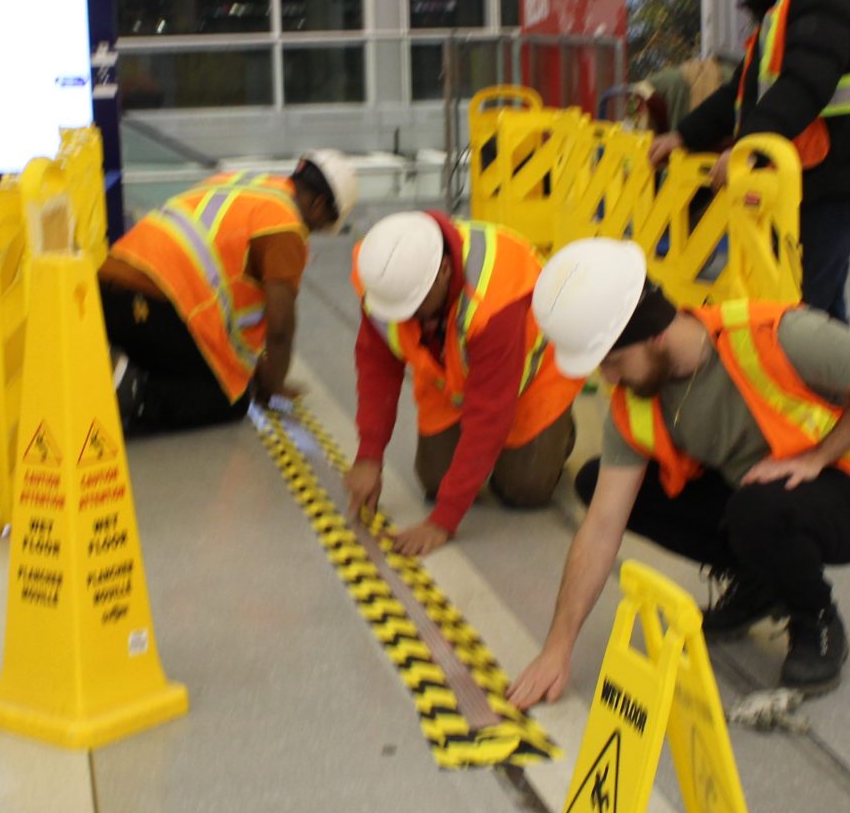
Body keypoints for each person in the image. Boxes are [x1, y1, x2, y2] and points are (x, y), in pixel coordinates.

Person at [505, 238, 850, 708]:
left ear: (654, 334)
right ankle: (759, 582)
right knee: (598, 482)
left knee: (756, 510)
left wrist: (817, 457)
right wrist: (557, 649)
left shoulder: (777, 335)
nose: (610, 379)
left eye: (613, 362)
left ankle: (817, 620)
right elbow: (602, 527)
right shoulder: (637, 400)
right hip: (759, 492)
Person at [650, 0, 850, 324]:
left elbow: (806, 82)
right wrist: (684, 135)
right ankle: (832, 366)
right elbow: (744, 89)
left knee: (801, 300)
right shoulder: (788, 1)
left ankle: (812, 366)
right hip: (816, 169)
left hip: (842, 170)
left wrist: (748, 148)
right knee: (816, 299)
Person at [343, 211, 582, 556]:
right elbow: (377, 367)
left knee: (525, 489)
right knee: (436, 481)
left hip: (531, 380)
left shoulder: (493, 299)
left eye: (413, 306)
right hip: (451, 378)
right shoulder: (383, 273)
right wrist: (369, 454)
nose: (404, 317)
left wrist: (443, 521)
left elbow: (489, 415)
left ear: (443, 271)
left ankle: (560, 433)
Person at [101, 151, 358, 434]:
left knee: (211, 369)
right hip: (153, 301)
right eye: (321, 226)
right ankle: (131, 392)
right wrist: (273, 387)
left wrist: (255, 370)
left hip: (108, 288)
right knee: (228, 398)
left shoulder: (240, 183)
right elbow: (280, 327)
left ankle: (116, 362)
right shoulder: (285, 226)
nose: (313, 233)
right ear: (319, 205)